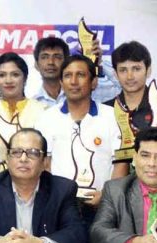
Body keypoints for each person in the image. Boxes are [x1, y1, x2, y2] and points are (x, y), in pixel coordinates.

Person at [0, 128, 86, 243]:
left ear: (44, 161)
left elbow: (76, 231)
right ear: (7, 159)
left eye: (33, 153)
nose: (23, 158)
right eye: (16, 152)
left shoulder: (62, 189)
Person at [36, 55, 126, 224]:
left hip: (102, 207)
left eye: (81, 75)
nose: (74, 81)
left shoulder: (112, 116)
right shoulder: (46, 118)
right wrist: (53, 198)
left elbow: (121, 164)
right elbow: (44, 164)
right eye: (68, 76)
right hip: (59, 207)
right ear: (62, 83)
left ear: (93, 83)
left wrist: (106, 197)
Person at [107, 41, 157, 134]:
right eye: (123, 70)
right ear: (115, 74)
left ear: (148, 71)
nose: (130, 76)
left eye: (136, 69)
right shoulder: (106, 109)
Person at [31, 36, 120, 106]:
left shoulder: (88, 91)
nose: (51, 62)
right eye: (44, 57)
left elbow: (124, 88)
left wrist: (99, 62)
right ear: (36, 65)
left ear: (66, 62)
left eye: (57, 57)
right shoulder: (31, 105)